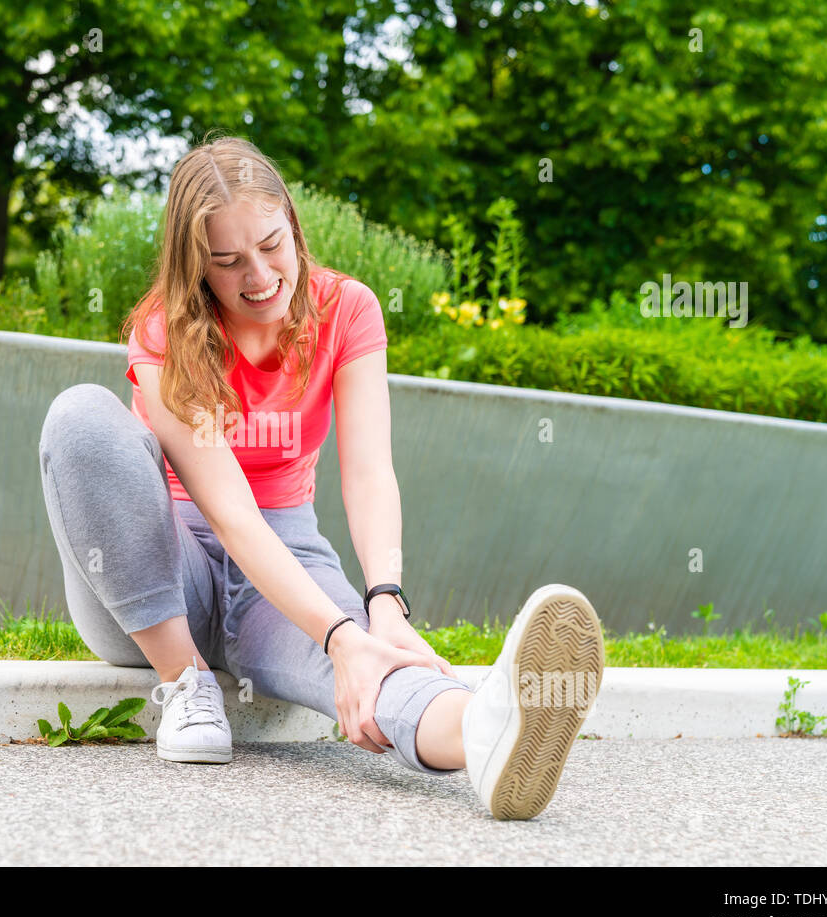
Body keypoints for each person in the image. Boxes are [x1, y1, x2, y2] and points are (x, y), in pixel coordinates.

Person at [37, 132, 605, 820]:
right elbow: (228, 512)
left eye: (271, 245)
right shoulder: (163, 330)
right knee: (81, 418)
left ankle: (483, 732)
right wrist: (340, 631)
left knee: (369, 664)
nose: (259, 275)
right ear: (195, 267)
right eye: (227, 261)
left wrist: (383, 606)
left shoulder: (349, 308)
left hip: (285, 557)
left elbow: (368, 471)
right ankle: (184, 682)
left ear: (294, 225)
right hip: (158, 567)